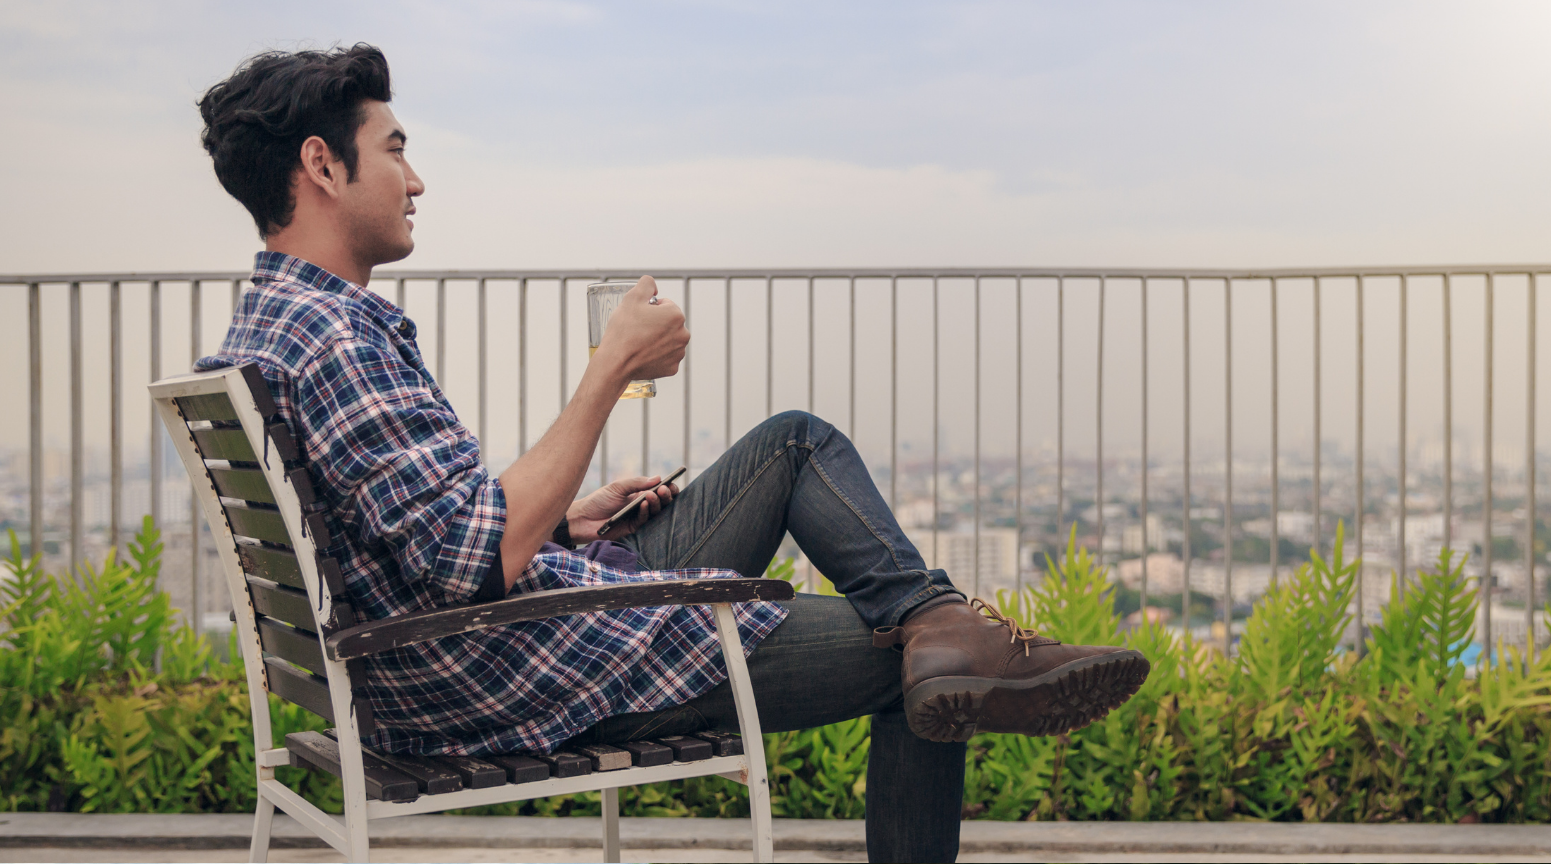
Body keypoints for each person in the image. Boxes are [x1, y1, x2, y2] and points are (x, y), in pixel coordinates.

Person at [194, 43, 1146, 863]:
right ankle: (949, 635)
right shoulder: (340, 341)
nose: (417, 178)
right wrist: (607, 369)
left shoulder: (274, 326)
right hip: (517, 669)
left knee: (792, 444)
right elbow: (471, 561)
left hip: (464, 648)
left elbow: (408, 533)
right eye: (395, 150)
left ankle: (939, 617)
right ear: (322, 164)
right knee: (921, 668)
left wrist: (567, 519)